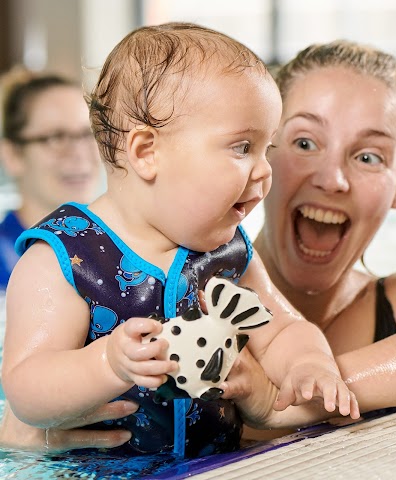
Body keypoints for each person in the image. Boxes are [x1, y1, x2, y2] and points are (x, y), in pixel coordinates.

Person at [0, 24, 358, 458]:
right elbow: (25, 386)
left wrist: (308, 365)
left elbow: (280, 330)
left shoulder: (228, 251)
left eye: (268, 149)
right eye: (243, 147)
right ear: (147, 152)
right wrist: (106, 364)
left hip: (222, 463)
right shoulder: (64, 258)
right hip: (101, 470)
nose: (265, 171)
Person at [222, 39, 396, 436]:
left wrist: (291, 401)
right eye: (304, 143)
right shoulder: (186, 292)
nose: (332, 180)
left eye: (368, 157)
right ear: (260, 153)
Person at [0, 67, 102, 290]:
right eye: (55, 137)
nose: (78, 152)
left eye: (87, 134)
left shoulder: (124, 251)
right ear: (12, 155)